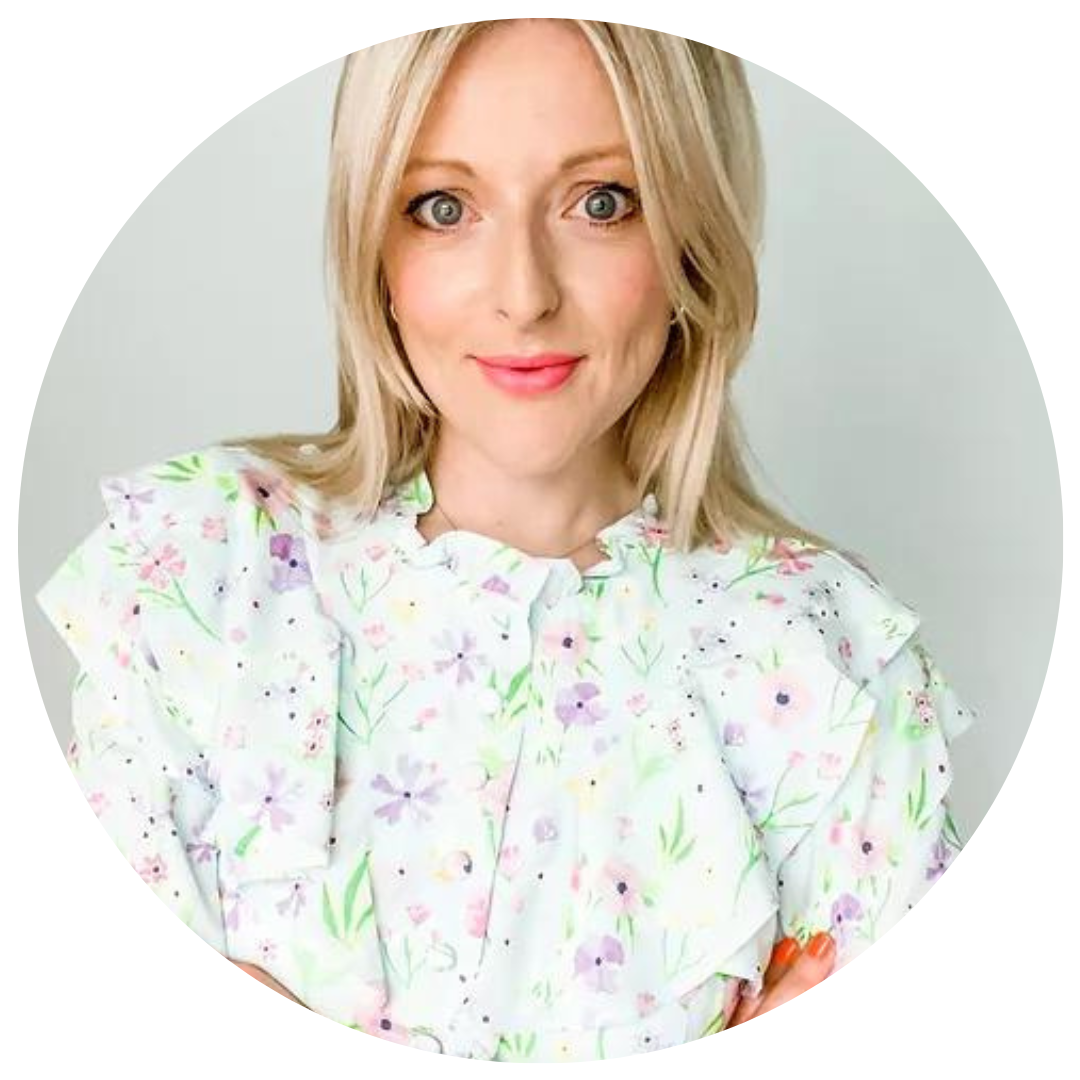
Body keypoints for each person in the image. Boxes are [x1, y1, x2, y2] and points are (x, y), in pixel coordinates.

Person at [35, 18, 977, 1063]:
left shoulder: (830, 667)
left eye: (602, 202)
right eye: (444, 207)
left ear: (692, 234)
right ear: (373, 246)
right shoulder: (202, 578)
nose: (524, 295)